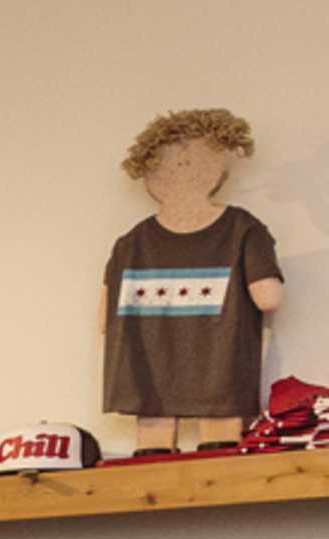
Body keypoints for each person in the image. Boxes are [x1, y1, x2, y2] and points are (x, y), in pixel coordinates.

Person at [103, 107, 284, 453]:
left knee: (200, 430)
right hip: (212, 366)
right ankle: (191, 446)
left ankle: (172, 447)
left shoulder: (239, 230)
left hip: (170, 371)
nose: (181, 169)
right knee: (210, 430)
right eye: (172, 163)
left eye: (192, 161)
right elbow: (268, 297)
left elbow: (103, 320)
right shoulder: (132, 242)